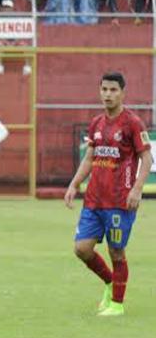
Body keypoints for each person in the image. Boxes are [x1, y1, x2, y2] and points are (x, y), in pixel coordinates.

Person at [65, 72, 152, 317]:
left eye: (113, 90)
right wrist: (74, 185)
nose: (108, 94)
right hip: (93, 200)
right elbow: (90, 158)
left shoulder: (132, 123)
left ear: (123, 92)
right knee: (81, 249)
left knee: (116, 251)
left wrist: (136, 189)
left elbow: (147, 157)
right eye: (104, 89)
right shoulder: (96, 124)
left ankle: (117, 304)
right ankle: (110, 282)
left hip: (119, 201)